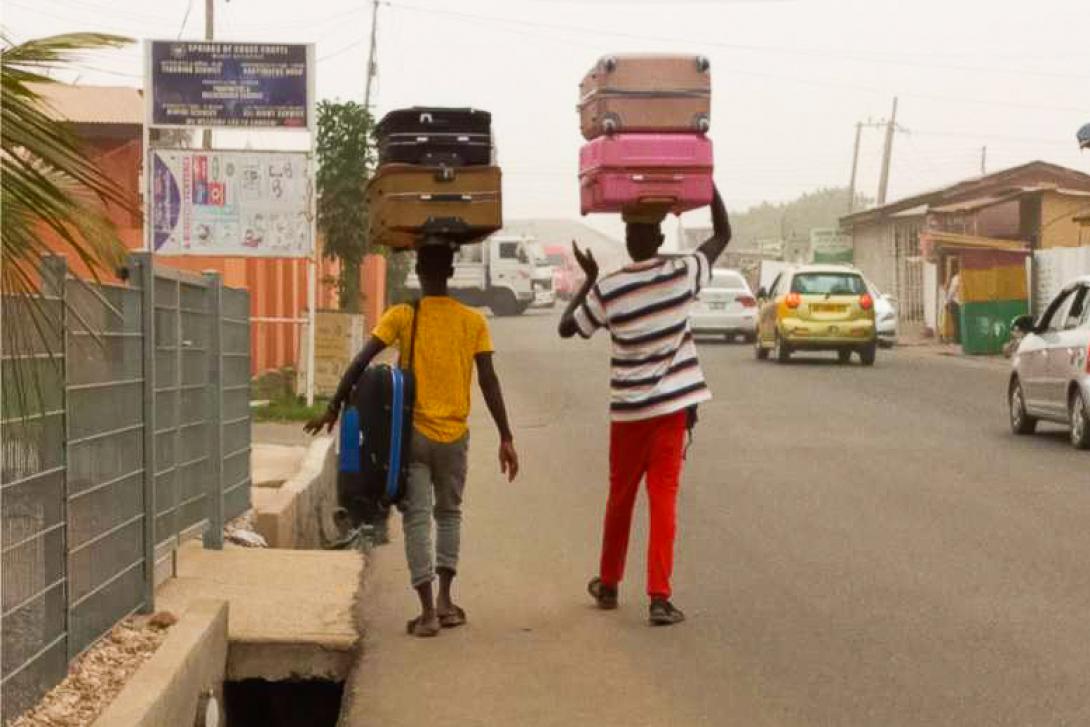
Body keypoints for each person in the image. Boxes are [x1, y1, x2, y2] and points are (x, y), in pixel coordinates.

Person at [306, 242, 520, 637]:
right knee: (450, 514)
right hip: (454, 436)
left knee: (417, 518)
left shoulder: (404, 315)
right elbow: (489, 380)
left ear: (418, 273)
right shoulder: (473, 321)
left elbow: (361, 361)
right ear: (450, 273)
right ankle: (445, 601)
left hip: (413, 437)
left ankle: (425, 613)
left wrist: (334, 407)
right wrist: (506, 436)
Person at [558, 187, 731, 626]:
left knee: (620, 499)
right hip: (671, 412)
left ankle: (609, 583)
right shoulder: (681, 274)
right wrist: (705, 183)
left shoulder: (611, 289)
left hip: (628, 415)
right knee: (664, 501)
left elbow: (567, 328)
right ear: (657, 239)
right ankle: (659, 597)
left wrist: (590, 280)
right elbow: (723, 234)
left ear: (629, 240)